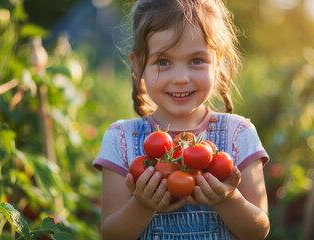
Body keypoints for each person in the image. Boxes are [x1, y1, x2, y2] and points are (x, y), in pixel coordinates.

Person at [92, 0, 270, 239]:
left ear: (218, 61)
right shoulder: (121, 139)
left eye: (196, 60)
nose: (180, 78)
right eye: (163, 62)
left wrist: (228, 199)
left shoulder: (239, 134)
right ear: (138, 65)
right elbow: (111, 235)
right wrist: (143, 204)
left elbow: (259, 230)